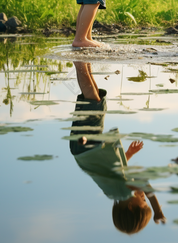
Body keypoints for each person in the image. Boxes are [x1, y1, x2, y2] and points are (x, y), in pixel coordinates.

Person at [69, 61, 166, 234]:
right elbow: (116, 169)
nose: (143, 197)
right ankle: (84, 62)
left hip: (88, 148)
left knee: (93, 102)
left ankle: (80, 64)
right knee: (94, 101)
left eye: (142, 203)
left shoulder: (122, 193)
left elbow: (144, 182)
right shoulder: (114, 191)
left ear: (130, 207)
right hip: (83, 150)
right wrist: (128, 153)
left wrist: (158, 210)